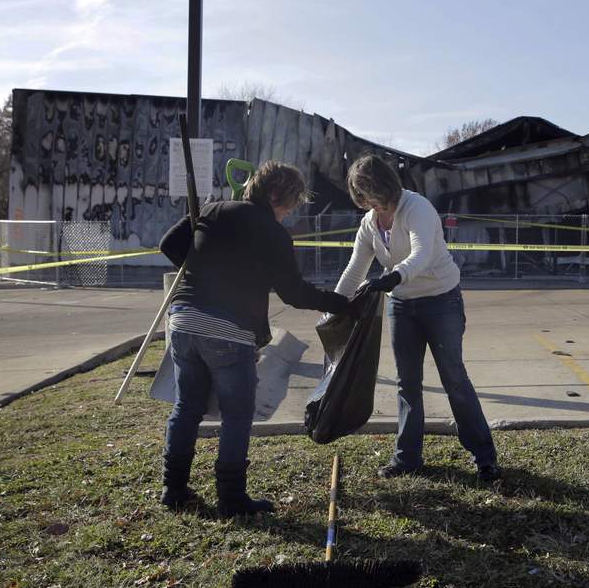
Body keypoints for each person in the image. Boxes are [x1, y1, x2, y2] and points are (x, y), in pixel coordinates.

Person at [158, 161, 349, 517]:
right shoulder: (273, 233)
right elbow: (294, 293)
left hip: (183, 322)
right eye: (289, 204)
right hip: (229, 332)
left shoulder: (213, 209)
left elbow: (169, 244)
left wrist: (206, 262)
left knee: (186, 407)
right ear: (276, 195)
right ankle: (231, 498)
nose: (289, 213)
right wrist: (338, 303)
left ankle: (174, 490)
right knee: (236, 413)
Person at [335, 155, 501, 481]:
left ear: (383, 188)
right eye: (364, 200)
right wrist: (333, 306)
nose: (369, 206)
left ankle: (484, 457)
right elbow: (355, 270)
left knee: (454, 378)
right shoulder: (370, 223)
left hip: (441, 301)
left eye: (371, 197)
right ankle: (407, 458)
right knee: (407, 383)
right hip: (402, 306)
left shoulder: (417, 208)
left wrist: (393, 277)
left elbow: (421, 255)